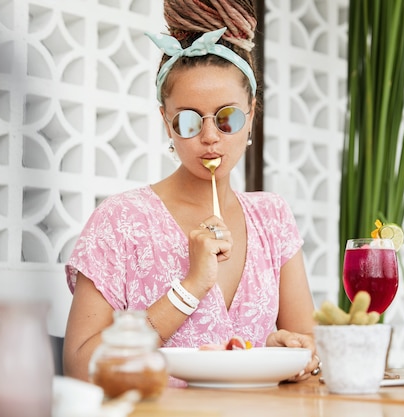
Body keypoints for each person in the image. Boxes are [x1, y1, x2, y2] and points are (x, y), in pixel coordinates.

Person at [63, 0, 320, 382]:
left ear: (251, 113)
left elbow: (309, 346)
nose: (210, 137)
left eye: (227, 117)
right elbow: (81, 366)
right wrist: (190, 287)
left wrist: (293, 354)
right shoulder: (120, 221)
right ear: (166, 123)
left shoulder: (272, 217)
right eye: (187, 121)